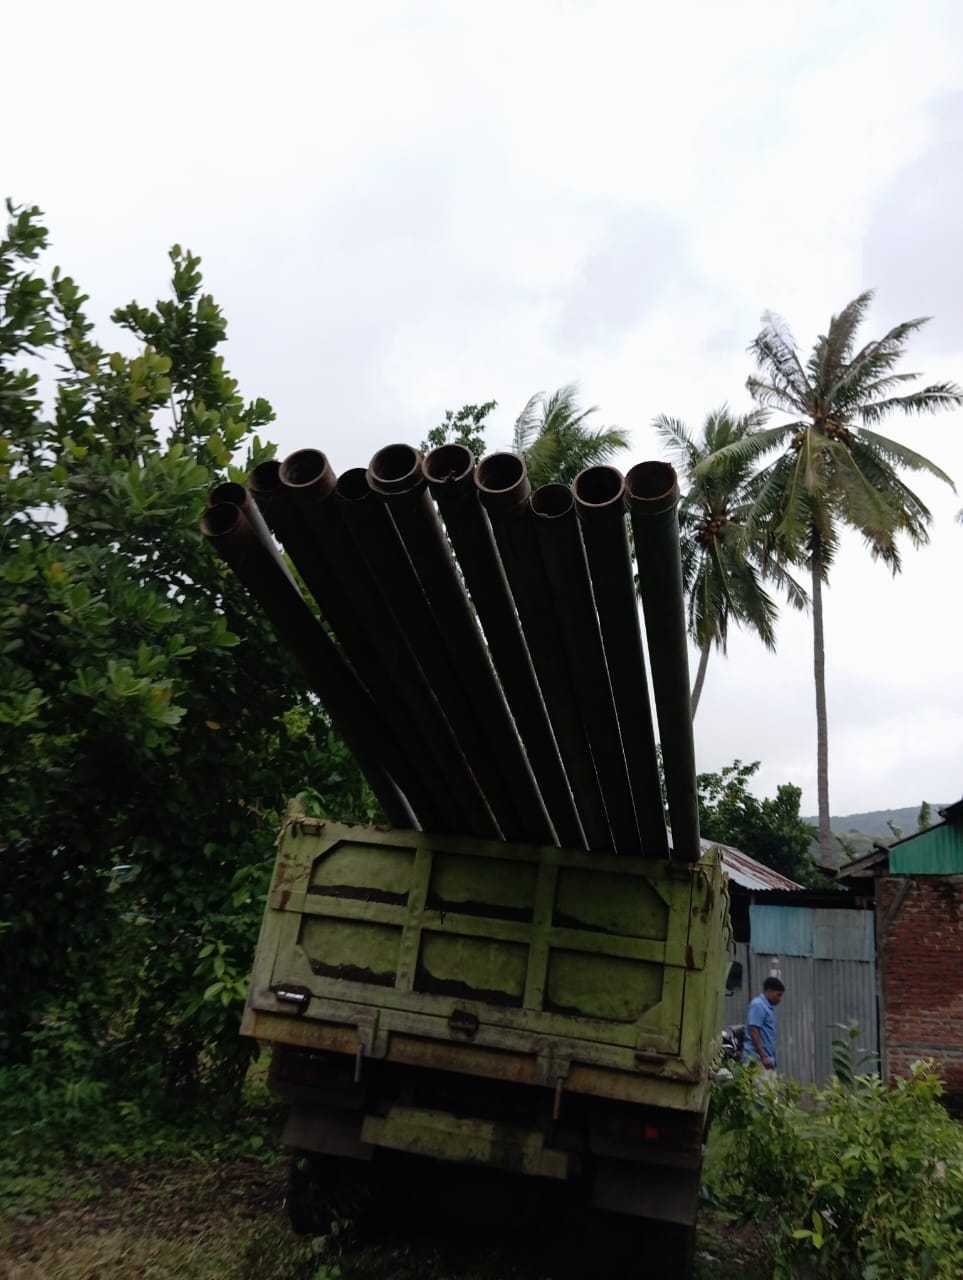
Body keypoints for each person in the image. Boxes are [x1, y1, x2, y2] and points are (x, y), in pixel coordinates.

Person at [743, 976, 785, 1075]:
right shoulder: (758, 1005)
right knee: (761, 1085)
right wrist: (763, 1056)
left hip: (767, 1060)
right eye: (778, 995)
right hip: (757, 1060)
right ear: (769, 991)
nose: (779, 999)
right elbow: (753, 1030)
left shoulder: (768, 1007)